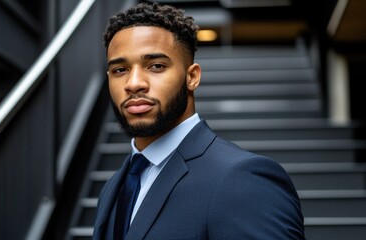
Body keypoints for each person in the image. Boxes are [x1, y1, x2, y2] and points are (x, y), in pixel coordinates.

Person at [93, 2, 305, 239]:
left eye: (156, 66)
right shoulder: (114, 187)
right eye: (120, 70)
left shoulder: (241, 179)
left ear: (192, 77)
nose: (133, 83)